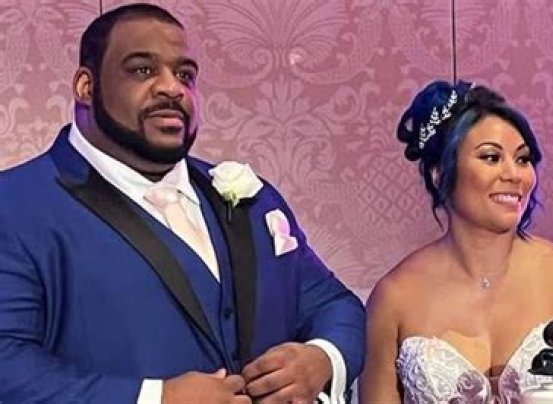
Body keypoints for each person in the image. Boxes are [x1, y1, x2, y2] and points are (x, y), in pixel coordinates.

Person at [0, 3, 364, 403]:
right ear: (86, 86)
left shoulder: (255, 201)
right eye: (143, 70)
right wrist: (155, 399)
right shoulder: (13, 206)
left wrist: (321, 359)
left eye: (185, 75)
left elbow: (334, 305)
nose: (172, 88)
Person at [359, 80, 553, 403]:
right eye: (491, 158)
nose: (514, 175)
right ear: (439, 173)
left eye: (523, 159)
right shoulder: (394, 298)